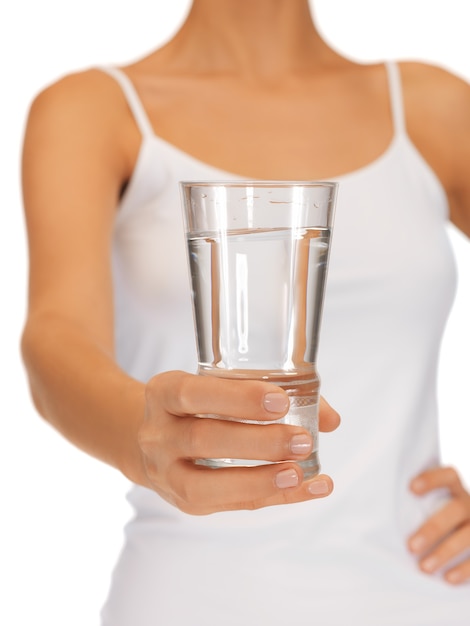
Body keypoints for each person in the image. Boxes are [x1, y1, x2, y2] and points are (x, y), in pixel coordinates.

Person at [21, 0, 470, 624]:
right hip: (190, 599)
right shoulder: (95, 111)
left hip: (424, 595)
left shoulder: (434, 107)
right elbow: (55, 340)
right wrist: (147, 439)